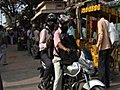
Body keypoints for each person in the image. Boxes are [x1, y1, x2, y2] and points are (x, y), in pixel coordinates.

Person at [38, 13, 57, 90]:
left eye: (53, 21)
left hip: (53, 52)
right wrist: (46, 44)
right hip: (44, 53)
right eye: (50, 21)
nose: (51, 23)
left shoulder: (55, 31)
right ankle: (44, 81)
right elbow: (40, 45)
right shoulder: (44, 31)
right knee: (49, 64)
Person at [52, 14, 71, 90]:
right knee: (58, 77)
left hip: (67, 58)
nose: (67, 25)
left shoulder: (67, 33)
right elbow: (58, 44)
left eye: (67, 23)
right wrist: (65, 49)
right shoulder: (57, 33)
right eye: (65, 23)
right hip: (58, 59)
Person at [96, 15, 111, 88]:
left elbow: (101, 34)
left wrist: (97, 45)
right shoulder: (107, 22)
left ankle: (102, 83)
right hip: (108, 47)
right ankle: (107, 83)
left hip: (103, 47)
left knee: (101, 66)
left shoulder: (100, 22)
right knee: (106, 65)